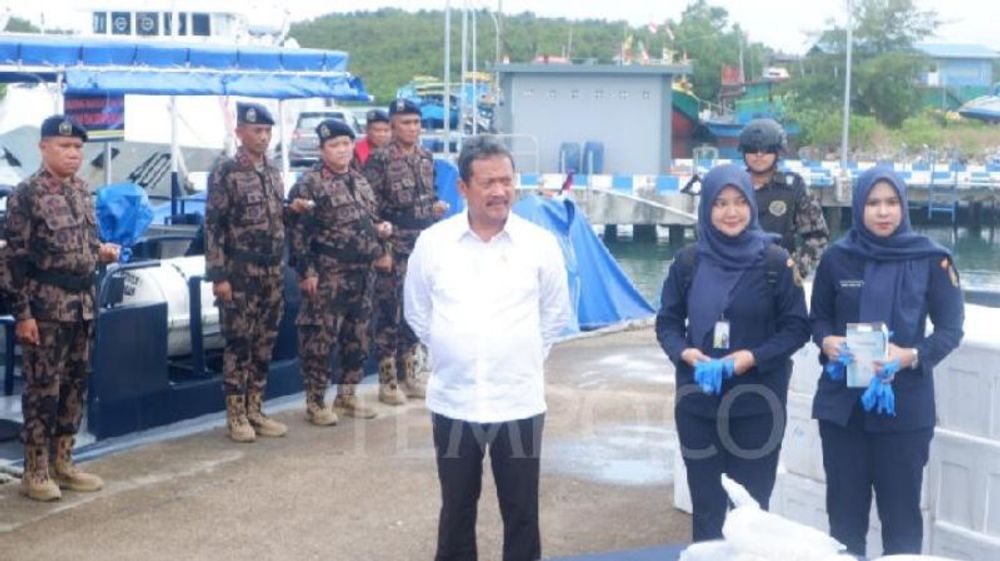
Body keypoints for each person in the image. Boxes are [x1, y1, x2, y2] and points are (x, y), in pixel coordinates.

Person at [404, 135, 570, 561]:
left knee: (522, 512)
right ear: (463, 189)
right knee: (457, 509)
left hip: (518, 400)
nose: (499, 191)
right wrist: (450, 350)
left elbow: (554, 313)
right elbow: (418, 311)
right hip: (455, 401)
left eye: (506, 180)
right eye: (488, 182)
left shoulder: (539, 244)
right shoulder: (433, 244)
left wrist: (524, 356)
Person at [810, 167, 965, 557]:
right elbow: (818, 319)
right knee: (844, 522)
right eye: (874, 203)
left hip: (905, 412)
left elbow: (950, 330)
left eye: (892, 202)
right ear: (859, 206)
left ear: (903, 206)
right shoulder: (836, 259)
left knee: (902, 522)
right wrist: (827, 341)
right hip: (843, 412)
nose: (883, 212)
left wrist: (911, 355)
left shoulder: (932, 259)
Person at [656, 163, 810, 541]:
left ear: (752, 206)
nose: (731, 211)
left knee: (751, 512)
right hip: (698, 405)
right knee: (707, 511)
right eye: (720, 203)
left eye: (740, 201)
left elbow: (797, 328)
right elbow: (668, 323)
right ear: (706, 207)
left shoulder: (775, 262)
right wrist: (686, 353)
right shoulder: (688, 262)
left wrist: (752, 357)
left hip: (757, 406)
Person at [4, 115, 121, 501]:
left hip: (82, 306)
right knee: (43, 391)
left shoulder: (81, 191)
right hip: (45, 310)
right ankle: (34, 471)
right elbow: (12, 261)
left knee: (74, 385)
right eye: (64, 147)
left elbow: (82, 243)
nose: (73, 154)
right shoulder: (27, 195)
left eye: (77, 148)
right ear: (43, 148)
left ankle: (63, 462)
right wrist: (23, 314)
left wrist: (99, 253)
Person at [205, 102, 309, 443]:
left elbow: (272, 213)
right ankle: (235, 416)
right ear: (240, 133)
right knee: (239, 342)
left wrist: (289, 211)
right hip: (239, 271)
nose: (263, 137)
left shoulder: (273, 170)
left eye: (267, 131)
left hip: (271, 270)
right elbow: (214, 226)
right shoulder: (226, 171)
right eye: (256, 131)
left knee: (265, 341)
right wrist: (219, 276)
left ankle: (255, 408)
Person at [287, 119, 394, 424]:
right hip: (328, 274)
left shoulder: (360, 181)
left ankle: (348, 394)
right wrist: (307, 272)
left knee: (357, 337)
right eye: (334, 145)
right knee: (320, 340)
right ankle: (316, 401)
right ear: (322, 150)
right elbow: (300, 233)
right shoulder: (310, 183)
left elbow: (372, 220)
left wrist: (381, 236)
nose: (342, 150)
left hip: (362, 273)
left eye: (346, 143)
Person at [363, 98, 447, 404]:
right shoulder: (379, 161)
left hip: (421, 244)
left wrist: (434, 207)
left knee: (416, 310)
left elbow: (431, 194)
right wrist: (380, 251)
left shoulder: (425, 158)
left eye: (416, 123)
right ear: (393, 126)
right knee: (389, 313)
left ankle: (409, 374)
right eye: (405, 123)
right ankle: (387, 381)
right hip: (393, 245)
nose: (412, 128)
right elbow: (369, 210)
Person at [739, 118, 829, 276]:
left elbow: (818, 236)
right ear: (744, 151)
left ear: (777, 151)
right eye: (752, 149)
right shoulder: (733, 186)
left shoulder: (793, 187)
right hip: (738, 274)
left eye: (766, 149)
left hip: (780, 275)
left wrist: (797, 267)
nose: (759, 154)